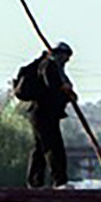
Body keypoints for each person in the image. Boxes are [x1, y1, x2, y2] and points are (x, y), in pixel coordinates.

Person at [25, 41, 77, 188]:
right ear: (59, 54)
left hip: (47, 115)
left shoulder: (56, 69)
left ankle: (35, 182)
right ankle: (59, 181)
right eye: (65, 57)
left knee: (40, 149)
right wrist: (65, 91)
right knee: (53, 147)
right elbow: (52, 89)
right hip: (42, 114)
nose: (66, 60)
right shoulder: (48, 66)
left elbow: (61, 90)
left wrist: (69, 94)